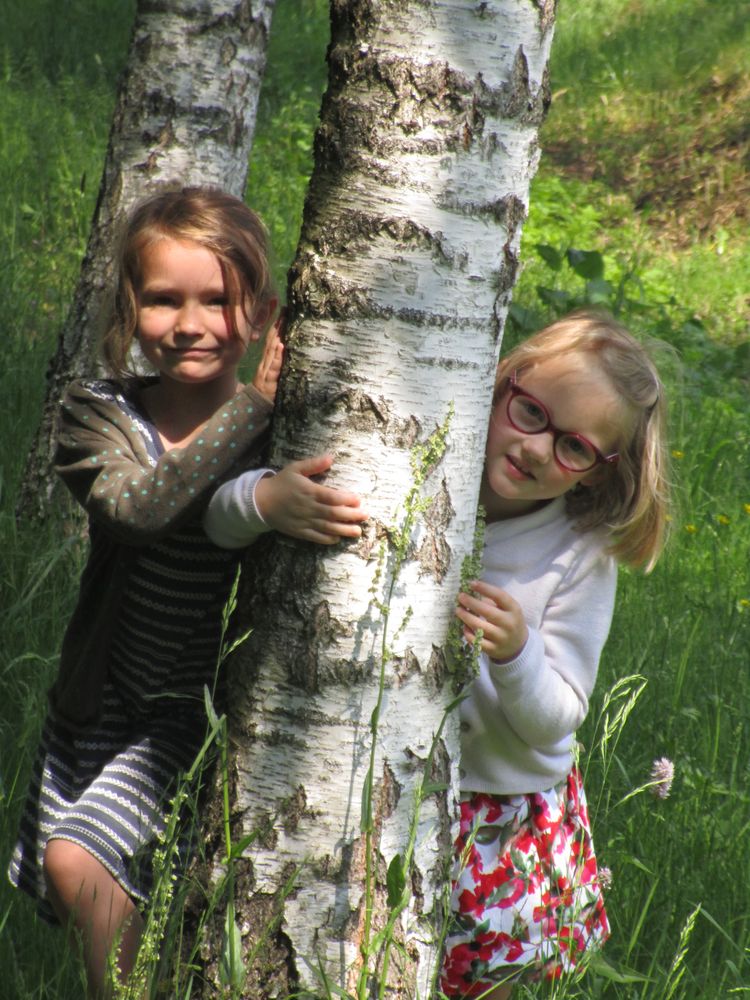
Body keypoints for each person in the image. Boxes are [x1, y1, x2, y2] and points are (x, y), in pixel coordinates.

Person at [8, 186, 367, 998]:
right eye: (164, 299)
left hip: (194, 713)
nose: (190, 322)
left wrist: (269, 428)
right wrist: (254, 410)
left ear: (264, 312)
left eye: (218, 298)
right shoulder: (96, 417)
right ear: (130, 308)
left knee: (80, 857)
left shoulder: (290, 430)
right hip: (101, 701)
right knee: (94, 885)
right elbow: (141, 510)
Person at [439, 310, 670, 999]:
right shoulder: (429, 470)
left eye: (574, 447)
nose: (538, 449)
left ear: (599, 475)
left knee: (478, 980)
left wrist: (517, 654)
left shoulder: (580, 555)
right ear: (502, 383)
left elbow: (559, 714)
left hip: (498, 808)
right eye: (531, 413)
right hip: (408, 779)